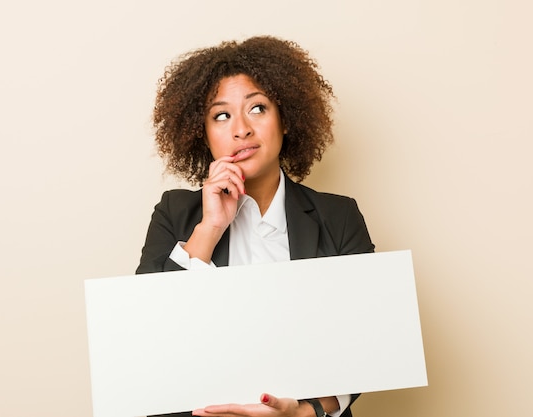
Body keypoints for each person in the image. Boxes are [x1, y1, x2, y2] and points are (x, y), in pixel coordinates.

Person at [137, 35, 375, 417]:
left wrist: (303, 412)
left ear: (286, 120)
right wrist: (210, 226)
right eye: (221, 115)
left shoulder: (339, 216)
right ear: (203, 135)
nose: (241, 129)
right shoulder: (174, 213)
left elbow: (367, 346)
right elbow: (147, 335)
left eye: (258, 108)